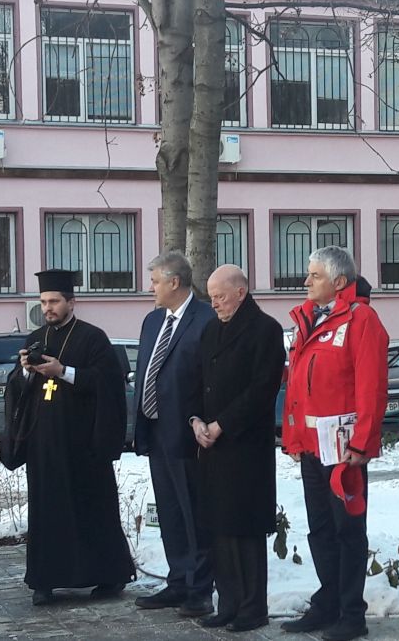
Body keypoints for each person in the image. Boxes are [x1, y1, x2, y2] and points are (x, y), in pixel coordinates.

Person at [4, 269, 134, 605]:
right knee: (48, 512)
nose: (48, 308)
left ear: (71, 302)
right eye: (44, 301)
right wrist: (24, 372)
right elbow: (17, 389)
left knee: (92, 509)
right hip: (44, 445)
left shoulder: (93, 338)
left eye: (54, 301)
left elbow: (108, 383)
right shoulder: (35, 338)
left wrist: (63, 372)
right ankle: (45, 581)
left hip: (83, 443)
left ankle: (107, 577)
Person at [281, 246, 388, 641]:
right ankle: (327, 601)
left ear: (339, 282)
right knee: (319, 529)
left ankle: (351, 612)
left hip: (344, 450)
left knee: (348, 530)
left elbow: (371, 388)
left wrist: (360, 444)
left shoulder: (362, 320)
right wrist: (294, 438)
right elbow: (297, 389)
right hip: (312, 446)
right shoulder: (308, 319)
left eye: (314, 276)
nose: (305, 281)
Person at [190, 265, 285, 632]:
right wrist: (195, 420)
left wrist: (221, 424)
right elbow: (200, 381)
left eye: (220, 296)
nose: (214, 303)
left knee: (243, 529)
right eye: (211, 296)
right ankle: (227, 601)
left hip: (244, 447)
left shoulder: (265, 330)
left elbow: (262, 390)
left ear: (241, 292)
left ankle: (251, 607)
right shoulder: (211, 330)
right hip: (211, 446)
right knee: (218, 527)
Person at [133, 252, 215, 617]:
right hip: (155, 429)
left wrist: (200, 420)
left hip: (187, 431)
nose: (149, 287)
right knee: (168, 511)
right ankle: (178, 579)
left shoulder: (205, 319)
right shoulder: (152, 321)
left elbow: (207, 379)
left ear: (174, 282)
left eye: (154, 281)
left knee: (194, 511)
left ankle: (199, 588)